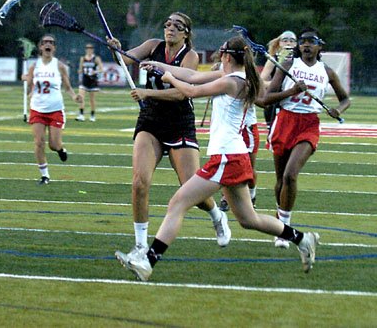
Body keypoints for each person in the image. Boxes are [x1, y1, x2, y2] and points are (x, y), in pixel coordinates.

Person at [118, 36, 320, 281]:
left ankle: (148, 261)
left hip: (227, 157)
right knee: (248, 219)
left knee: (178, 203)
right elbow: (191, 76)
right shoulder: (235, 77)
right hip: (235, 156)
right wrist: (160, 66)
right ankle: (302, 239)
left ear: (225, 56)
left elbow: (191, 90)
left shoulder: (231, 82)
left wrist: (170, 79)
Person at [111, 12, 231, 270]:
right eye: (167, 24)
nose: (170, 29)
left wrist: (147, 92)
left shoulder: (190, 56)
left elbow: (181, 93)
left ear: (186, 33)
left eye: (177, 26)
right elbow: (122, 59)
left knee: (192, 189)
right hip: (150, 120)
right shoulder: (152, 46)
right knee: (139, 183)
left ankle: (216, 214)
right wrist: (117, 49)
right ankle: (141, 246)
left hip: (179, 122)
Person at [262, 28, 350, 249]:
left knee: (291, 176)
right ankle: (281, 218)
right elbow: (267, 98)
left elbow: (345, 99)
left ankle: (284, 230)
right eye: (303, 42)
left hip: (309, 125)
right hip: (284, 122)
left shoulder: (327, 71)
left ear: (320, 46)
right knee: (281, 181)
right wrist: (290, 91)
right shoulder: (289, 66)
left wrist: (338, 110)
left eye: (311, 41)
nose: (306, 45)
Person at [24, 34, 82, 185]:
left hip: (55, 109)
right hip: (37, 109)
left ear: (54, 47)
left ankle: (61, 149)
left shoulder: (59, 66)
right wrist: (26, 83)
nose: (48, 45)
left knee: (54, 144)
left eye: (51, 43)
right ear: (41, 47)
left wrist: (75, 97)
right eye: (45, 43)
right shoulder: (34, 66)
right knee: (38, 142)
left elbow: (68, 88)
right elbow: (29, 89)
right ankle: (45, 175)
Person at [261, 30, 297, 130]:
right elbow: (261, 81)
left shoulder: (299, 60)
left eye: (292, 41)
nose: (288, 43)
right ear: (279, 43)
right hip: (275, 99)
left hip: (293, 101)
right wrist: (276, 84)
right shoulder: (273, 59)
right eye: (285, 40)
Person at [76, 43, 103, 122]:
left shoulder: (96, 58)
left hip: (92, 81)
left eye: (90, 48)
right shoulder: (83, 58)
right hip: (85, 80)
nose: (89, 50)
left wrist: (95, 71)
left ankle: (92, 115)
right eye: (87, 48)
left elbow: (101, 69)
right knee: (81, 97)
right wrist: (80, 71)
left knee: (92, 99)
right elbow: (80, 69)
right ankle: (81, 114)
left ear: (93, 50)